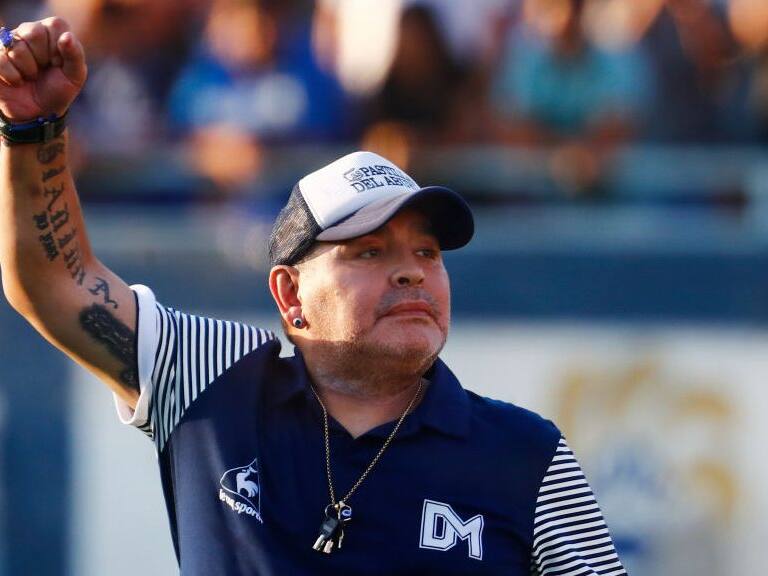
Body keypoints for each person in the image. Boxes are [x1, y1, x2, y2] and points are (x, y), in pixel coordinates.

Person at [0, 17, 627, 575]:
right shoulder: (214, 375)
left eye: (427, 252)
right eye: (369, 252)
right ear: (290, 293)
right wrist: (33, 131)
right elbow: (56, 282)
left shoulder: (528, 453)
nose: (412, 273)